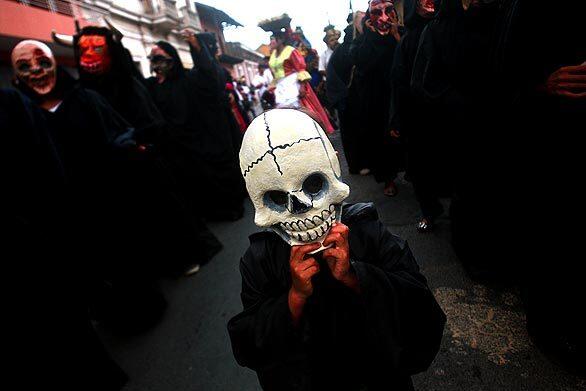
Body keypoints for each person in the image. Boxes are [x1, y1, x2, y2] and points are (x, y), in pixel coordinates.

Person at [228, 109, 446, 391]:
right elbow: (251, 346)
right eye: (278, 198)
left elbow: (422, 311)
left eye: (314, 184)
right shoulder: (261, 261)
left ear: (333, 167)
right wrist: (293, 299)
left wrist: (357, 276)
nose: (301, 208)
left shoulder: (368, 233)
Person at [494, 0, 586, 374]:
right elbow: (503, 79)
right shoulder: (528, 9)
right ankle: (551, 327)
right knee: (555, 237)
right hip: (551, 145)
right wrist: (541, 86)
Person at [410, 0, 501, 275]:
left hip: (496, 123)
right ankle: (474, 258)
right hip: (459, 130)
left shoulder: (495, 19)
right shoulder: (437, 29)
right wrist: (458, 105)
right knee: (469, 193)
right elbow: (423, 82)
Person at [146, 32, 247, 221]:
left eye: (159, 57)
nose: (156, 62)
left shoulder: (189, 80)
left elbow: (208, 74)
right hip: (175, 146)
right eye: (152, 59)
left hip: (199, 141)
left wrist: (196, 46)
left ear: (171, 58)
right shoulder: (152, 86)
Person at [389, 0, 437, 231]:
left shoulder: (445, 27)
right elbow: (398, 83)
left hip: (448, 111)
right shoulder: (409, 40)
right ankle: (429, 212)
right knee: (420, 167)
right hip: (418, 116)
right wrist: (397, 117)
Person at [350, 0, 404, 196]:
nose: (383, 17)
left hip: (400, 93)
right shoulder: (361, 43)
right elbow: (364, 64)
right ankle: (388, 178)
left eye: (388, 11)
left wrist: (397, 35)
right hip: (377, 100)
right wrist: (370, 37)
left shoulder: (398, 33)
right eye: (376, 13)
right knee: (382, 141)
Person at [268, 30, 335, 133]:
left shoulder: (290, 50)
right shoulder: (272, 55)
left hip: (293, 83)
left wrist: (302, 86)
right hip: (280, 87)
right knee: (284, 112)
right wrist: (273, 88)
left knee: (301, 110)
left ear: (280, 40)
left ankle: (311, 132)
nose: (270, 42)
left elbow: (300, 68)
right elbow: (274, 74)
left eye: (272, 39)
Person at [327, 12, 369, 174]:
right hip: (347, 97)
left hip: (359, 94)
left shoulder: (362, 41)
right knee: (353, 131)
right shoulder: (347, 47)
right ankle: (358, 163)